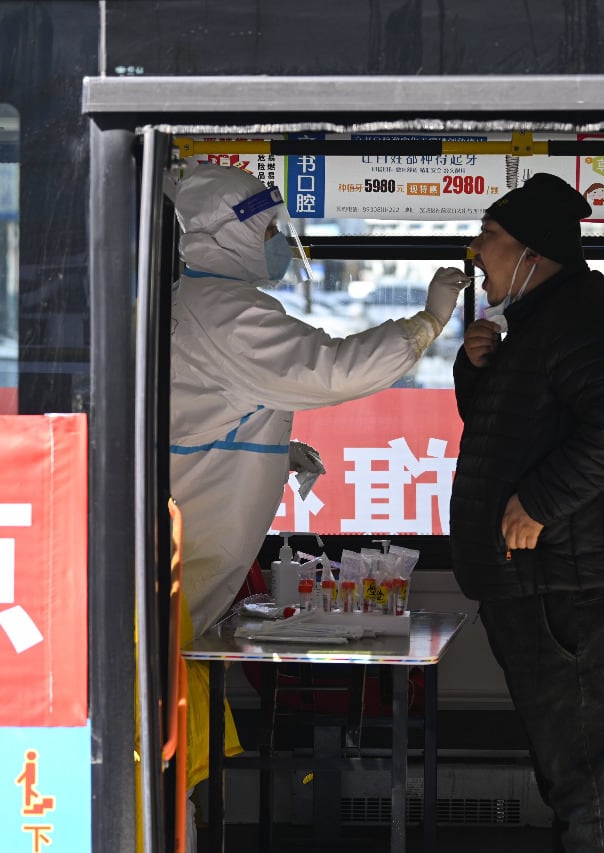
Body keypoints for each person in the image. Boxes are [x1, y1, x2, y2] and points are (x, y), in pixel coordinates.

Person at [163, 160, 469, 845]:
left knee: (172, 739)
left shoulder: (193, 301)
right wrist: (425, 325)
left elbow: (209, 414)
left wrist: (279, 449)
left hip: (183, 567)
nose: (279, 238)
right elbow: (326, 370)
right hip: (183, 573)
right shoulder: (229, 312)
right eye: (269, 226)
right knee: (169, 750)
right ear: (226, 233)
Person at [449, 173, 604, 853]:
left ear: (532, 252)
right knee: (577, 780)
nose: (474, 250)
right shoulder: (545, 321)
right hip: (558, 592)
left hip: (584, 599)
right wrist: (476, 371)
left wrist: (539, 504)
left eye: (488, 235)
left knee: (595, 787)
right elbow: (516, 433)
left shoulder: (582, 317)